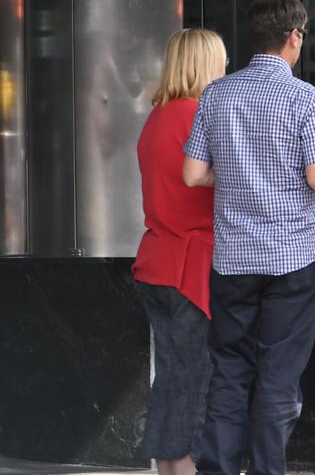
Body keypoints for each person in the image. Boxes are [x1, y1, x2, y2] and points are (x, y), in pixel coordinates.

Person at [182, 0, 315, 475]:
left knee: (229, 372)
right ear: (295, 36)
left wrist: (236, 175)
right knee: (277, 377)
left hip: (233, 261)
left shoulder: (216, 94)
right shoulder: (304, 98)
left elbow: (192, 174)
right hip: (293, 260)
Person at [132, 28, 227, 475]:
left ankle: (168, 467)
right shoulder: (199, 115)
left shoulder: (157, 116)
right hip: (192, 266)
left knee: (172, 379)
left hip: (157, 262)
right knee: (195, 383)